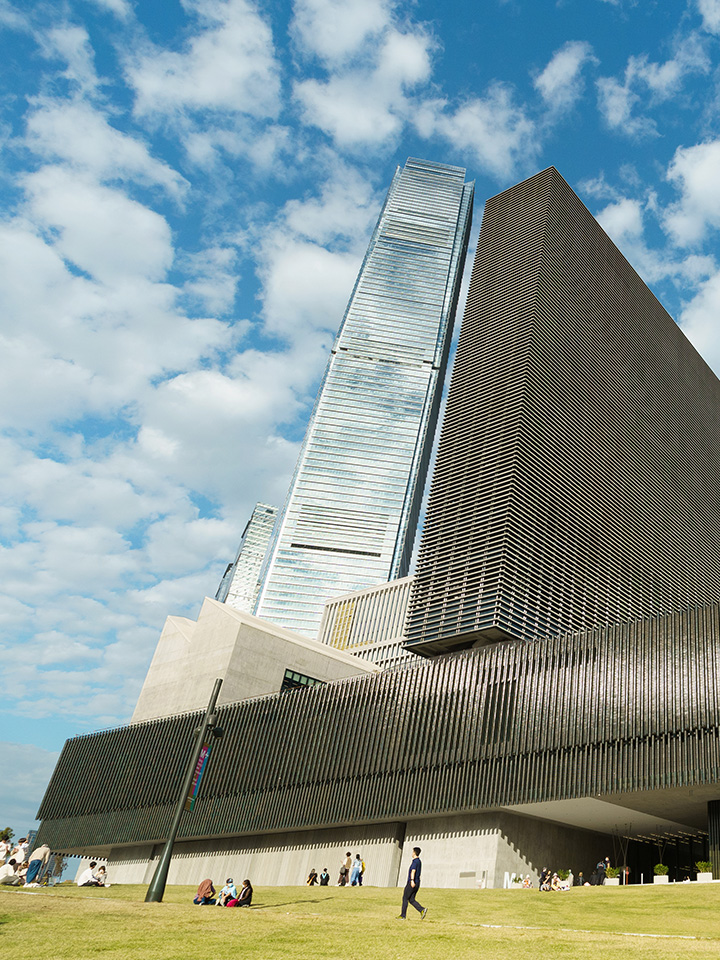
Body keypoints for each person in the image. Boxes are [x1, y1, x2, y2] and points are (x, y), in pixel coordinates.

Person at [397, 847, 427, 920]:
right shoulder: (419, 861)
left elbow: (413, 871)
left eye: (412, 852)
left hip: (412, 882)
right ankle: (422, 910)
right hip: (417, 883)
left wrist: (412, 880)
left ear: (414, 853)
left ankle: (403, 915)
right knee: (411, 899)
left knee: (405, 898)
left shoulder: (415, 862)